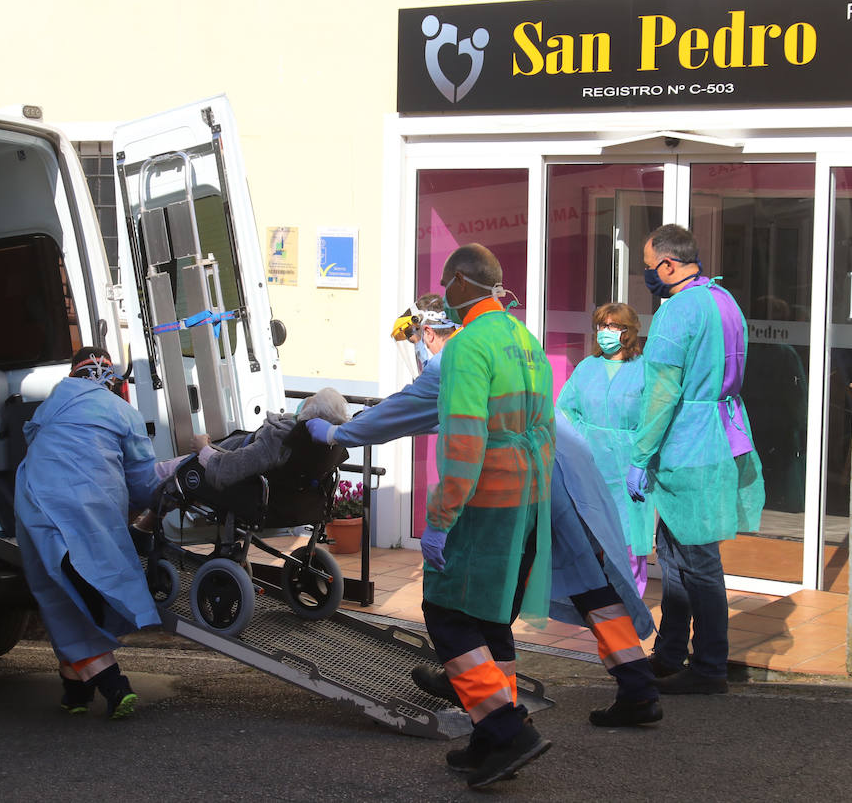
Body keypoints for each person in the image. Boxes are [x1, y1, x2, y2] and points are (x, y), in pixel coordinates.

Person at [309, 296, 660, 735]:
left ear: (432, 333)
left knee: (484, 596)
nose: (418, 349)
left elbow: (401, 413)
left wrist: (338, 431)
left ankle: (495, 701)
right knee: (589, 581)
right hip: (557, 468)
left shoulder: (454, 361)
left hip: (516, 483)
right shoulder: (510, 343)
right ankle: (637, 685)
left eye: (417, 339)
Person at [419, 245, 557, 787]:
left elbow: (463, 440)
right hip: (525, 497)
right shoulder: (525, 340)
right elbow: (544, 427)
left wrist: (441, 515)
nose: (443, 294)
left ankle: (505, 729)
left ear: (459, 283)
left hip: (481, 501)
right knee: (492, 617)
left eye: (445, 284)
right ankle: (489, 739)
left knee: (448, 613)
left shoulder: (466, 346)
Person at [626, 224, 766, 695]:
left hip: (687, 443)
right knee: (674, 553)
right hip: (720, 434)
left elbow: (662, 391)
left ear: (668, 265)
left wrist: (640, 455)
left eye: (648, 267)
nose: (648, 276)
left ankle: (707, 667)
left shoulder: (676, 313)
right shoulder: (724, 301)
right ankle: (669, 653)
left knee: (698, 561)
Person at [14, 347, 162, 719]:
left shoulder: (50, 406)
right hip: (89, 518)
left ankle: (75, 694)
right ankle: (115, 686)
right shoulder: (121, 411)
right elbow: (145, 482)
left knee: (59, 593)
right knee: (71, 598)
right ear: (110, 377)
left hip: (40, 508)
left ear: (72, 373)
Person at [556, 302, 656, 595]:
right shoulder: (587, 367)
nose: (605, 332)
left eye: (612, 326)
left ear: (628, 332)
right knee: (592, 536)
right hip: (590, 466)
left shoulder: (644, 370)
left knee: (628, 540)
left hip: (630, 467)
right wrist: (580, 443)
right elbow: (565, 410)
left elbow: (654, 419)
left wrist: (643, 459)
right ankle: (600, 605)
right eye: (601, 326)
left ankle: (632, 602)